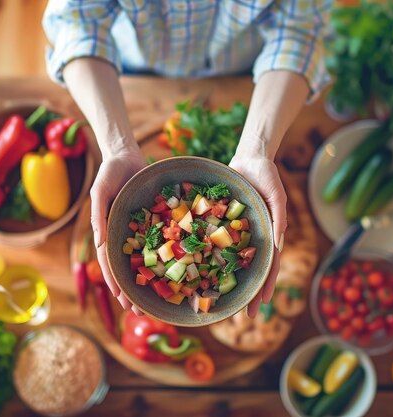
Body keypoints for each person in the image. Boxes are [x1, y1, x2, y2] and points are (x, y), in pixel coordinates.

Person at [43, 0, 331, 317]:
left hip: (253, 70)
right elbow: (76, 23)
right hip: (128, 67)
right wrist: (116, 146)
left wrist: (258, 147)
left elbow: (300, 31)